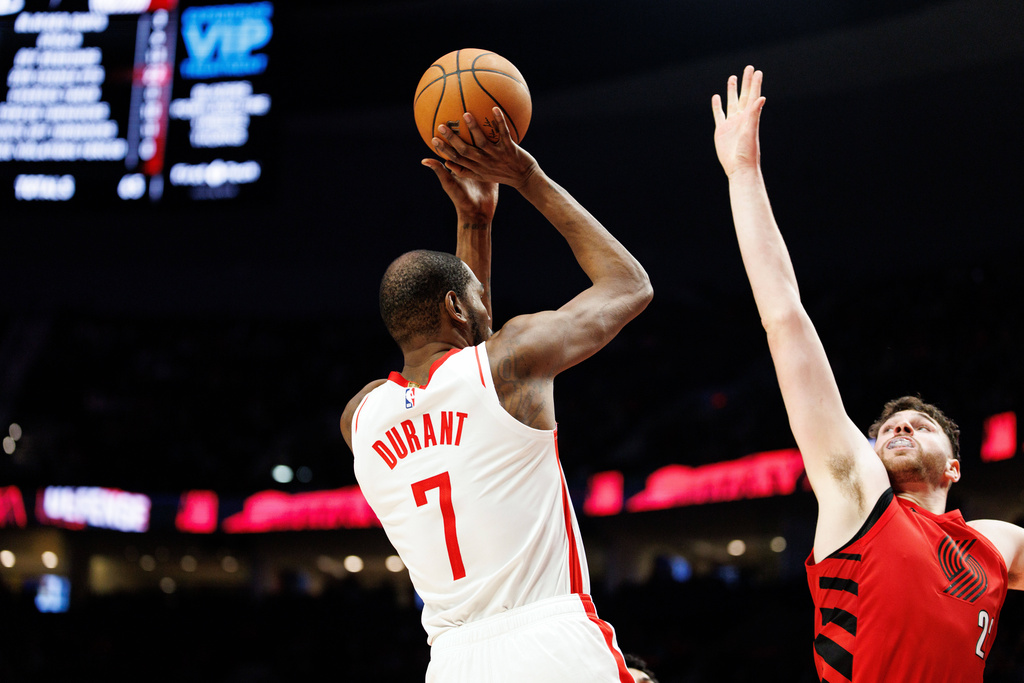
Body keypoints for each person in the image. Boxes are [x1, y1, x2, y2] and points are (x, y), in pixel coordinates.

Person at [711, 66, 1024, 682]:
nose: (900, 427)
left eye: (920, 426)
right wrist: (743, 174)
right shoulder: (858, 495)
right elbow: (785, 319)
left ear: (954, 468)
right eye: (889, 429)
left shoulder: (997, 542)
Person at [341, 108, 652, 683]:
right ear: (458, 308)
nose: (491, 306)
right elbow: (629, 284)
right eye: (479, 298)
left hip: (453, 662)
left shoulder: (360, 417)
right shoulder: (511, 361)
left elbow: (462, 362)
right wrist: (526, 175)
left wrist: (476, 223)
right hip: (550, 641)